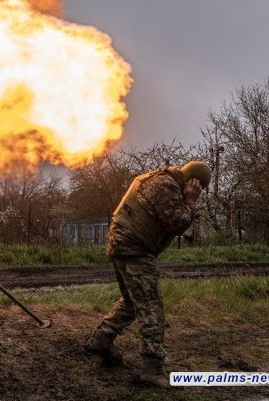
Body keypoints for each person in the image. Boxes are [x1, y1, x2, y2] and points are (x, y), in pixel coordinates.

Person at [85, 160, 211, 388]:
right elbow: (177, 223)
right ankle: (151, 369)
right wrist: (191, 202)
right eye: (198, 188)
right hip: (134, 249)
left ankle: (101, 340)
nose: (197, 192)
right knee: (152, 307)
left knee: (133, 302)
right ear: (193, 182)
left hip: (123, 243)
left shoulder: (158, 178)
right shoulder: (166, 186)